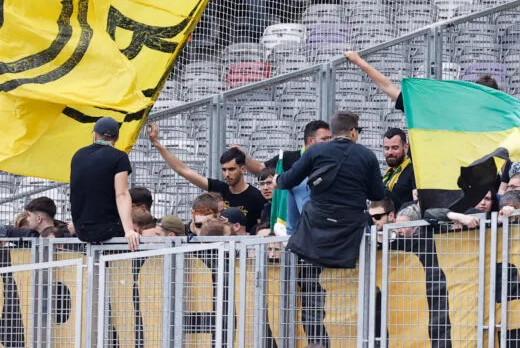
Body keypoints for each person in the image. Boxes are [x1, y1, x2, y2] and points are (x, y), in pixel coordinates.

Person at [278, 111, 386, 269]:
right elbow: (377, 194)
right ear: (353, 131)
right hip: (350, 227)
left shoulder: (315, 151)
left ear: (333, 133)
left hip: (318, 225)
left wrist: (277, 179)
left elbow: (288, 181)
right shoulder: (367, 155)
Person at [146, 122, 267, 226]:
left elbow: (259, 229)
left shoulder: (256, 197)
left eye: (231, 169)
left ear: (243, 169)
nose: (227, 174)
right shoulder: (218, 188)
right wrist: (156, 143)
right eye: (224, 170)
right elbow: (183, 170)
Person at [69, 117, 139, 249]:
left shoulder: (78, 155)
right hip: (107, 230)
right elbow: (122, 194)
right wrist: (129, 230)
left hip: (81, 231)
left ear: (95, 135)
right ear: (116, 139)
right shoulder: (119, 157)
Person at [382, 127, 416, 211]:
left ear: (406, 147)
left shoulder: (414, 172)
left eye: (395, 148)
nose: (390, 152)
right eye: (386, 148)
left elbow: (417, 204)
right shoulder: (388, 173)